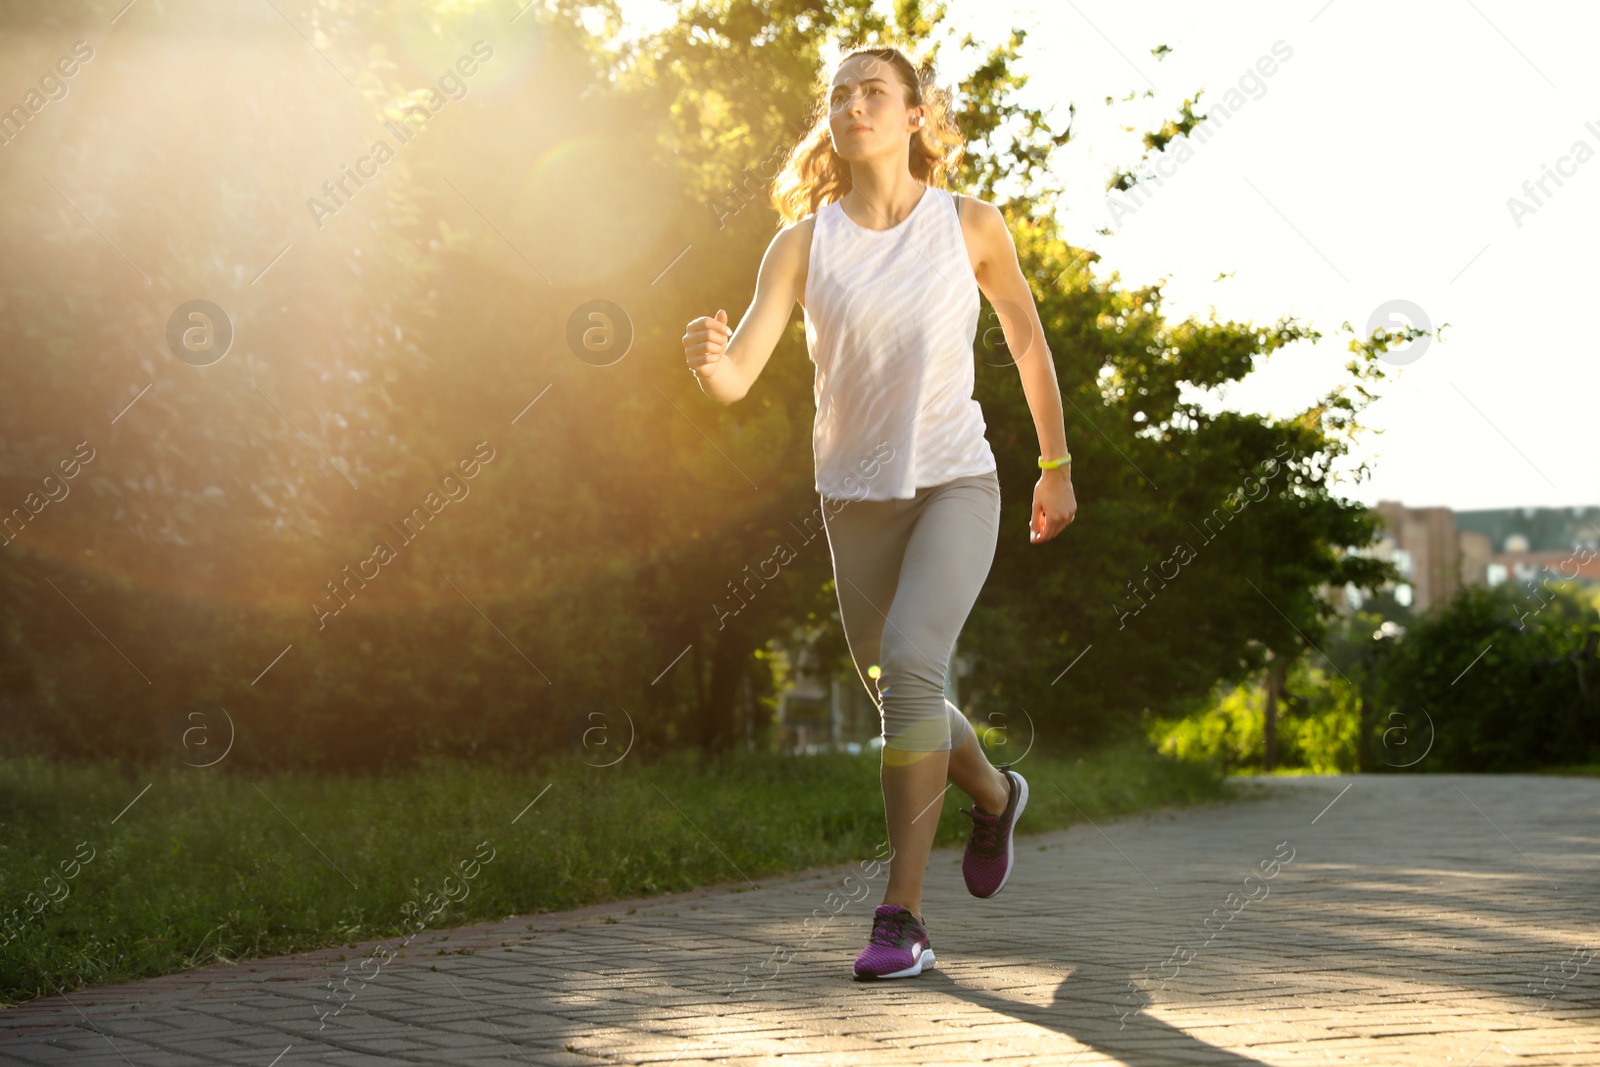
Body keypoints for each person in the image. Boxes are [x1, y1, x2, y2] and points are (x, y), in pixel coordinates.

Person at [681, 43, 1076, 981]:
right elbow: (739, 375)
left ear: (913, 116)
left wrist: (1054, 466)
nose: (854, 105)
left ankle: (903, 915)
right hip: (852, 498)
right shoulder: (804, 243)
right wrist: (707, 362)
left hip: (956, 483)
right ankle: (993, 792)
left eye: (874, 92)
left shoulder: (969, 224)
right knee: (906, 693)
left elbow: (1026, 340)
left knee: (908, 662)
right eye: (840, 95)